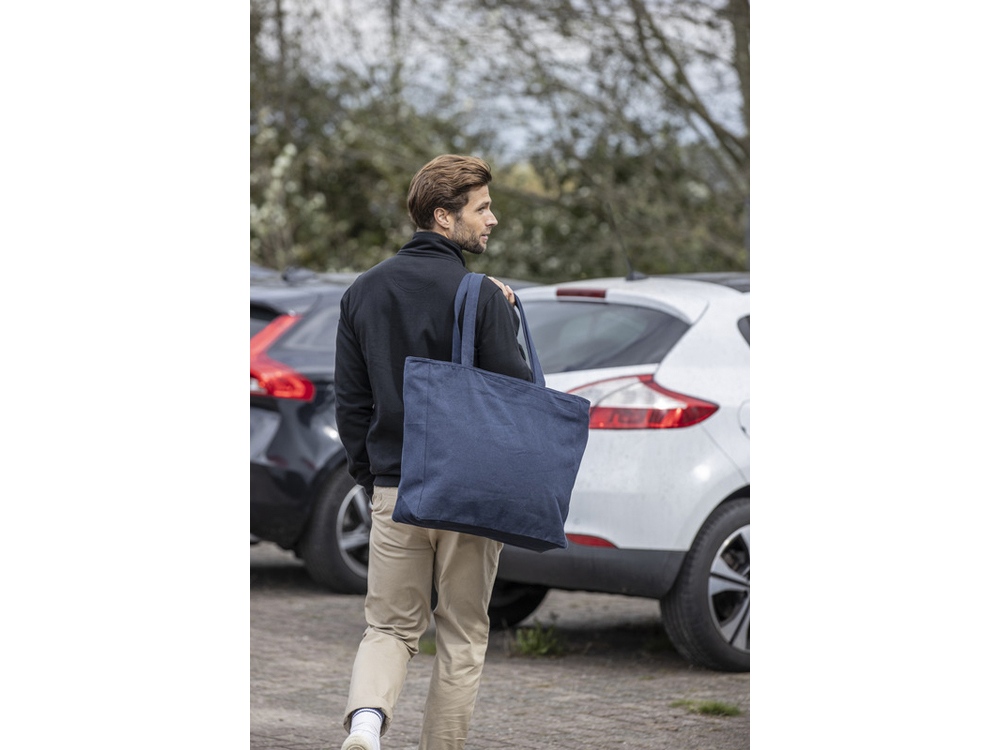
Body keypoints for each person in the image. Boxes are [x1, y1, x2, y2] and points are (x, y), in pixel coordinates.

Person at [333, 154, 534, 750]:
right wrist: (505, 317)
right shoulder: (481, 295)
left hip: (396, 488)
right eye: (482, 209)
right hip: (467, 493)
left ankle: (366, 723)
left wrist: (374, 478)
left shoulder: (363, 291)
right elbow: (514, 397)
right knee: (462, 636)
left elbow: (352, 404)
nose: (492, 220)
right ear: (444, 217)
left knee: (388, 627)